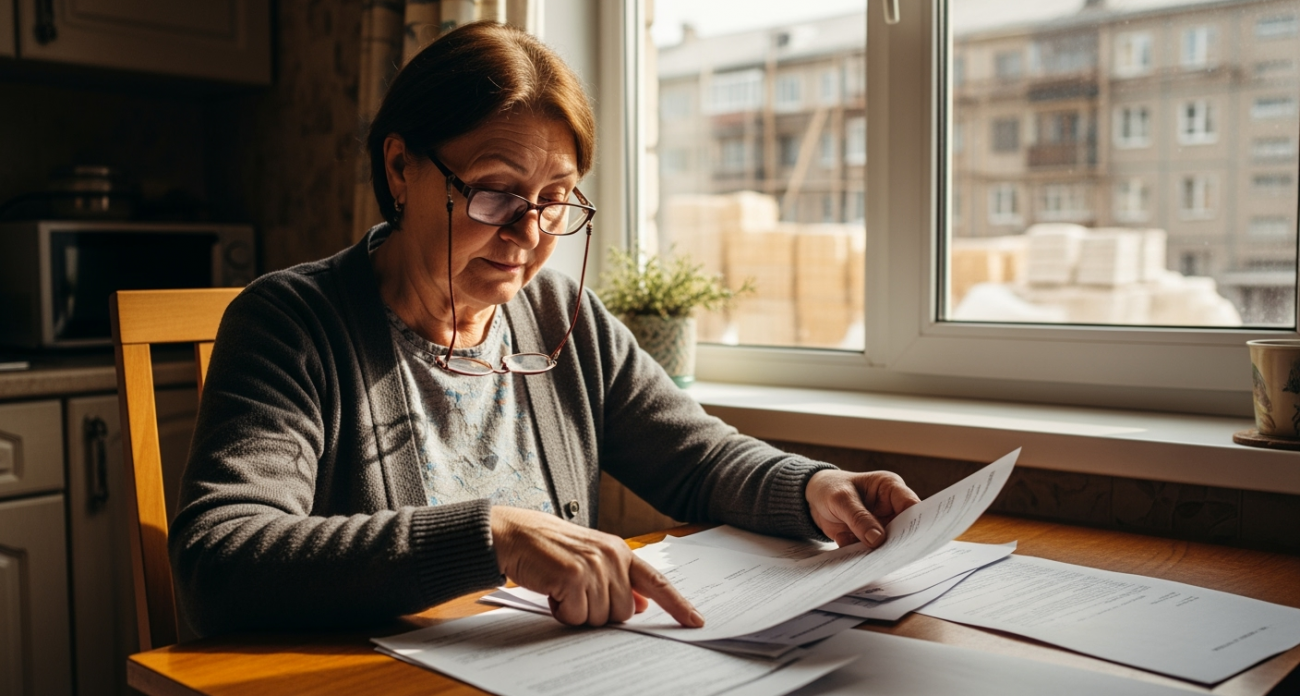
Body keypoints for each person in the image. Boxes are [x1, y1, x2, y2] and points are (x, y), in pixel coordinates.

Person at [170, 21, 920, 636]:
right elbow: (220, 559)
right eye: (496, 193)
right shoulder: (290, 326)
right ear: (400, 168)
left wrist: (814, 487)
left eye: (555, 198)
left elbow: (695, 458)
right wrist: (492, 536)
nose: (529, 234)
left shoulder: (561, 315)